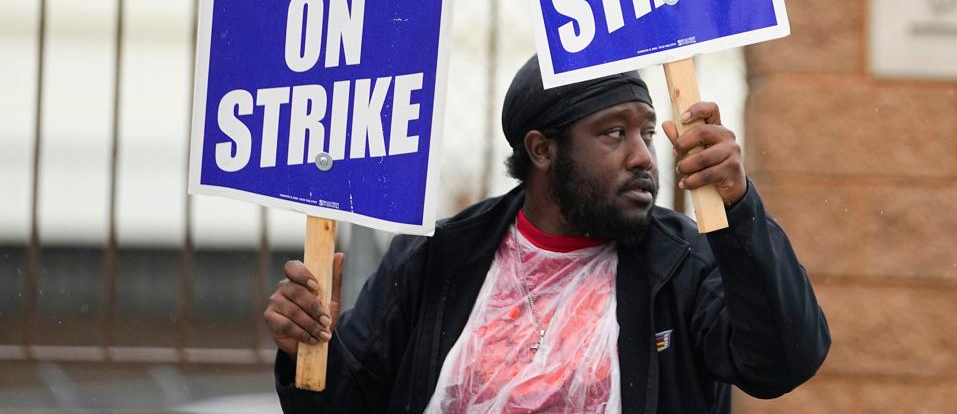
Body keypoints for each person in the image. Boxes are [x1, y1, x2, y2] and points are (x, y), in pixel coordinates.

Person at [265, 55, 830, 413]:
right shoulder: (437, 259)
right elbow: (345, 406)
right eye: (613, 134)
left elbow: (783, 362)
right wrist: (307, 354)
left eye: (646, 131)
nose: (643, 156)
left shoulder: (682, 262)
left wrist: (738, 211)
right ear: (542, 149)